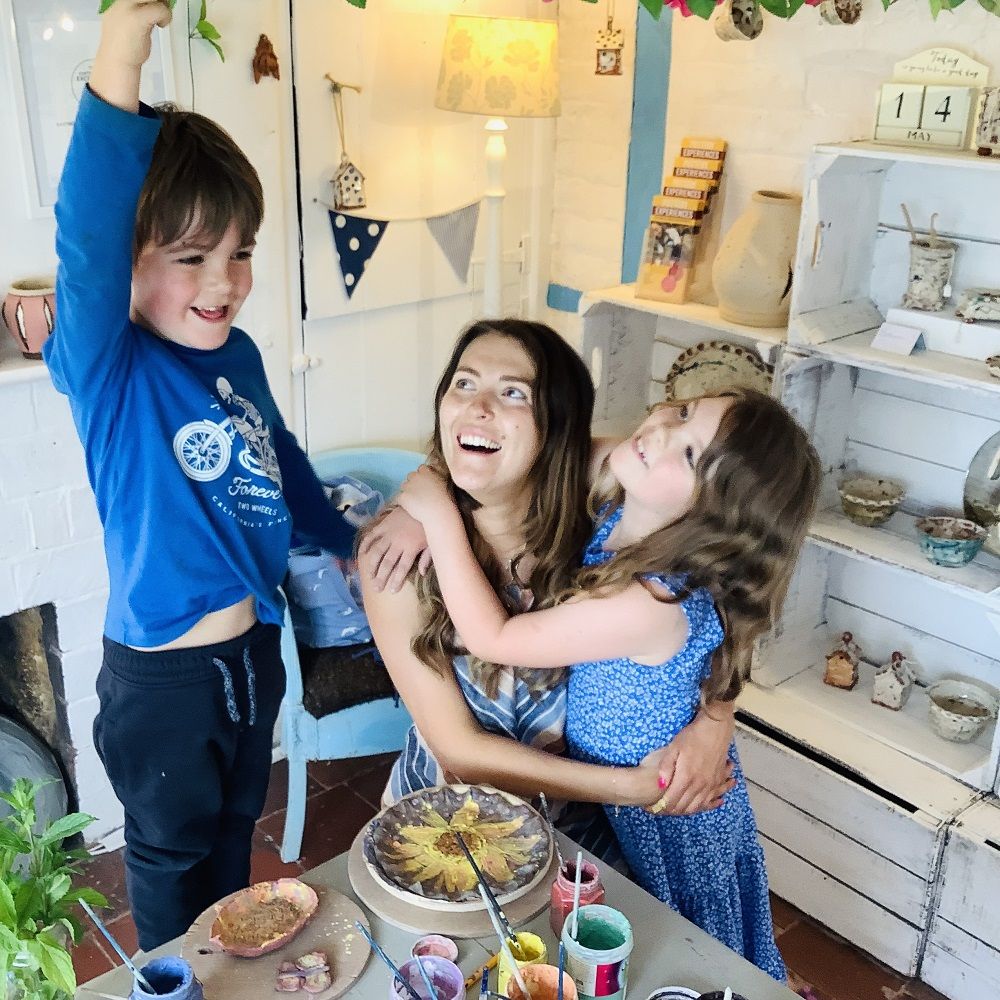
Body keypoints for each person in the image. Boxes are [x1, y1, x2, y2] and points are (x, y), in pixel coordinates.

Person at [44, 0, 352, 950]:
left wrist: (344, 537)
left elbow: (278, 463)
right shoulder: (111, 369)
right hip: (166, 685)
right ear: (129, 271)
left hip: (254, 654)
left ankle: (228, 972)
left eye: (240, 252)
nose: (224, 280)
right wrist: (121, 50)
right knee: (172, 873)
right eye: (191, 257)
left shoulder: (239, 354)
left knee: (231, 852)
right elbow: (88, 241)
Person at [395, 388, 821, 980]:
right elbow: (538, 449)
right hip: (646, 797)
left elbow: (494, 638)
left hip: (669, 813)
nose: (660, 432)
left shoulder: (647, 601)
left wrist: (439, 517)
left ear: (718, 517)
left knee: (693, 954)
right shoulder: (634, 510)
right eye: (678, 411)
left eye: (692, 454)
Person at [359, 319, 739, 863]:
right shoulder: (400, 560)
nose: (477, 407)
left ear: (557, 429)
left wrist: (715, 719)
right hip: (445, 831)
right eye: (462, 384)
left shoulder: (608, 511)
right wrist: (637, 787)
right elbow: (460, 751)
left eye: (512, 392)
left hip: (579, 834)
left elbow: (731, 575)